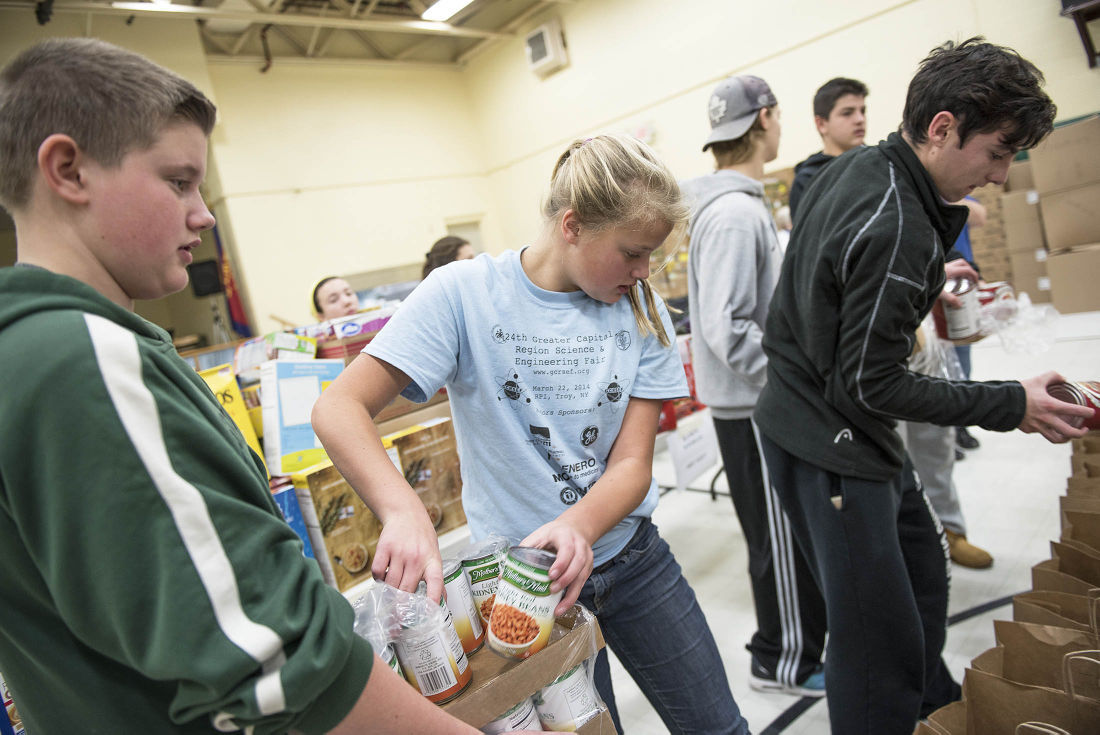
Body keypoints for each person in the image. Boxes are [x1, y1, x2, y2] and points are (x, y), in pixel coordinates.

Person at [0, 37, 527, 735]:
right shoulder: (85, 361)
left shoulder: (36, 353)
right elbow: (273, 661)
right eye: (179, 180)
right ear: (67, 169)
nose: (205, 213)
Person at [313, 133, 750, 735]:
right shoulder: (464, 295)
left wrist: (580, 525)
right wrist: (402, 510)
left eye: (652, 255)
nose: (644, 271)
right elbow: (339, 408)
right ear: (572, 225)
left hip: (633, 561)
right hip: (524, 586)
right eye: (631, 252)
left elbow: (631, 467)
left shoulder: (640, 308)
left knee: (718, 726)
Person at [755, 37, 1092, 734]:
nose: (1000, 175)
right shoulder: (901, 222)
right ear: (942, 128)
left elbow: (840, 290)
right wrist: (1012, 403)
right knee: (873, 643)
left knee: (921, 571)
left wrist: (930, 282)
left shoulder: (862, 168)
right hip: (833, 444)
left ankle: (932, 705)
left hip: (829, 421)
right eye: (997, 152)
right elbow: (873, 384)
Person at [682, 75, 826, 698]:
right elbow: (724, 324)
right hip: (755, 409)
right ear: (766, 116)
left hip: (754, 404)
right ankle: (783, 659)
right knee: (779, 539)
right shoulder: (737, 214)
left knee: (783, 534)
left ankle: (791, 646)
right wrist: (788, 381)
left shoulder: (736, 204)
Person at [788, 77, 867, 218]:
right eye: (847, 113)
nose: (860, 119)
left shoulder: (880, 164)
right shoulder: (808, 180)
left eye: (862, 111)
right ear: (821, 124)